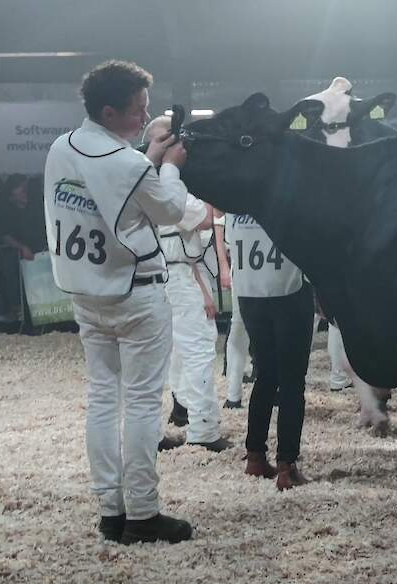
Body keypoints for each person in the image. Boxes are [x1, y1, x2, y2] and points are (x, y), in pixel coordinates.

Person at [44, 60, 193, 545]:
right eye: (138, 110)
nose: (145, 116)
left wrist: (145, 154)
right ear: (109, 111)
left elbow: (111, 183)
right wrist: (168, 166)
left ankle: (111, 509)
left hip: (87, 293)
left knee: (104, 399)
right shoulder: (131, 165)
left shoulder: (61, 148)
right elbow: (168, 209)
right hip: (137, 294)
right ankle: (144, 514)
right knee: (144, 404)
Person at [141, 115, 229, 453]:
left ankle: (176, 412)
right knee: (199, 349)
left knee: (161, 355)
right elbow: (205, 217)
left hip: (149, 278)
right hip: (177, 274)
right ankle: (203, 429)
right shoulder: (168, 184)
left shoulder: (136, 178)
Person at [233, 212, 315, 490]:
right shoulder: (278, 196)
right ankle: (286, 466)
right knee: (292, 381)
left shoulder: (235, 204)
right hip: (287, 291)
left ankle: (255, 455)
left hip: (249, 292)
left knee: (266, 375)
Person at [213, 208, 252, 410]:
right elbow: (217, 219)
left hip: (267, 264)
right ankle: (233, 394)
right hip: (242, 265)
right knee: (239, 327)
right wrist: (223, 266)